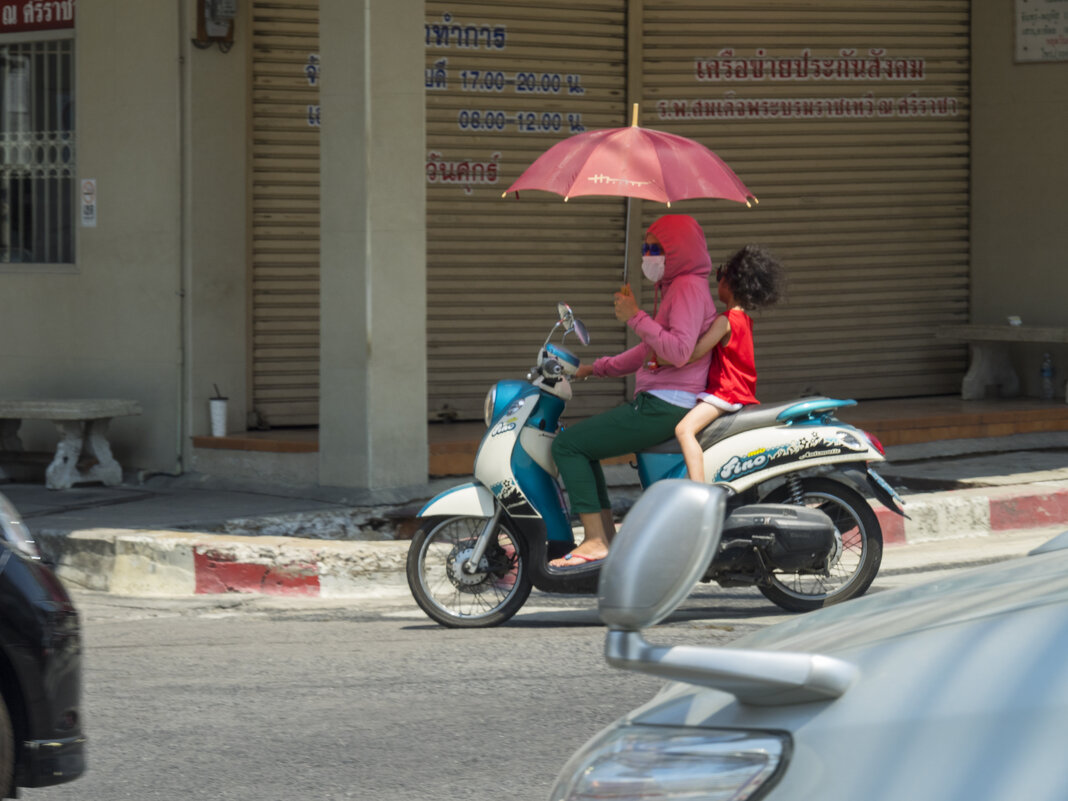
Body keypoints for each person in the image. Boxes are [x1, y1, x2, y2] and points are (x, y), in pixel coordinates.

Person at [549, 214, 718, 568]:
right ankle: (605, 538)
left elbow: (678, 351)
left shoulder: (687, 287)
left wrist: (635, 316)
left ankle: (595, 540)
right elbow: (648, 351)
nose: (647, 255)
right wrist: (593, 369)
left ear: (678, 251)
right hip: (662, 400)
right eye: (645, 247)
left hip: (666, 404)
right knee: (585, 447)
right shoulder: (676, 287)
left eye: (656, 248)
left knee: (569, 444)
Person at [675, 244, 785, 483]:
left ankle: (698, 491)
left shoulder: (725, 321)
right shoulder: (745, 320)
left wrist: (671, 351)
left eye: (719, 276)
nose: (717, 283)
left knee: (683, 430)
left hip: (726, 394)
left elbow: (694, 354)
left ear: (730, 284)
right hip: (741, 395)